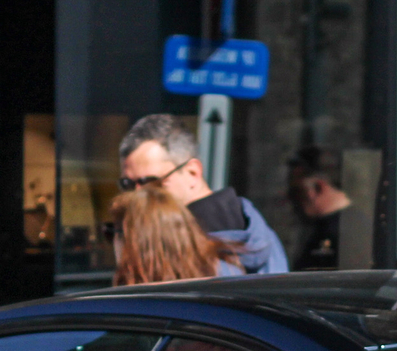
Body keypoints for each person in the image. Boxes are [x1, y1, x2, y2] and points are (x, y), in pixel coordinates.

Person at [118, 113, 288, 275]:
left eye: (150, 182)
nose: (137, 194)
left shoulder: (174, 250)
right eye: (128, 184)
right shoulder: (259, 231)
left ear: (192, 172)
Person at [109, 184, 238, 286]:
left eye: (110, 233)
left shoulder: (132, 303)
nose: (112, 244)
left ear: (132, 241)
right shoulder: (227, 279)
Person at [285, 145, 359, 270]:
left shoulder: (343, 233)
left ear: (319, 187)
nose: (293, 199)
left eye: (297, 191)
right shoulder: (352, 226)